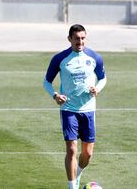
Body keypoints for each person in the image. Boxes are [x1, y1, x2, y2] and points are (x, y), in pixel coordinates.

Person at [43, 24, 106, 189]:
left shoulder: (95, 57)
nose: (80, 41)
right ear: (69, 39)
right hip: (68, 109)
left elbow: (103, 78)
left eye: (83, 38)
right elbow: (47, 82)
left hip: (88, 109)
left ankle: (77, 173)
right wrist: (55, 95)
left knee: (88, 153)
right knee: (71, 149)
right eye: (77, 38)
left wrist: (97, 88)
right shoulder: (60, 59)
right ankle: (72, 186)